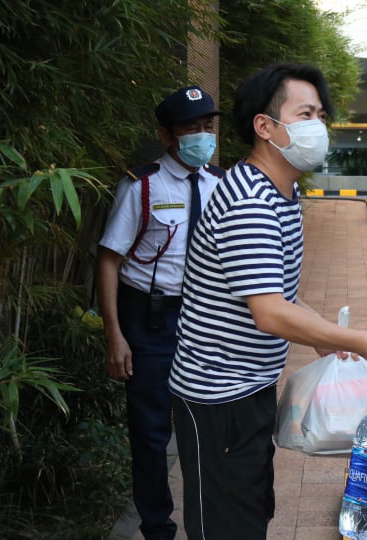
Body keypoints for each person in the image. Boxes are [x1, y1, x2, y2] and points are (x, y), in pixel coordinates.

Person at [168, 63, 367, 540]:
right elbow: (268, 312)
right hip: (217, 395)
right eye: (305, 114)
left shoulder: (282, 192)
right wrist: (361, 342)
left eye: (320, 115)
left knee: (250, 512)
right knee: (225, 524)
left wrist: (319, 332)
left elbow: (275, 290)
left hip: (248, 387)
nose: (317, 126)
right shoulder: (251, 200)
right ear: (265, 126)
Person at [96, 85, 224, 540]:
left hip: (204, 318)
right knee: (151, 433)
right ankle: (156, 528)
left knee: (205, 425)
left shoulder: (222, 185)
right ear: (167, 136)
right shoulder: (142, 185)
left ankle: (207, 522)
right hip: (148, 320)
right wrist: (115, 335)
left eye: (209, 127)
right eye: (192, 128)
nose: (203, 136)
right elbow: (110, 259)